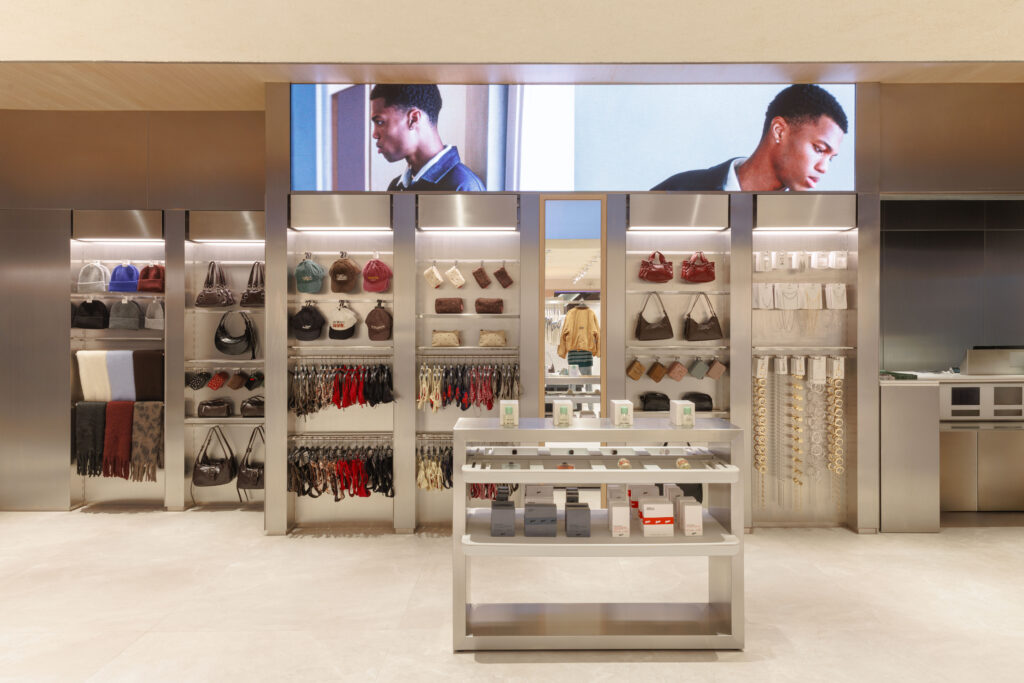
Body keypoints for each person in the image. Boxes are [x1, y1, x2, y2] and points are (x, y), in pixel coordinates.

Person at [651, 84, 848, 192]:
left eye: (831, 158)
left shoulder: (812, 222)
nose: (824, 168)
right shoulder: (679, 189)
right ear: (779, 130)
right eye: (819, 149)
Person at [369, 84, 485, 191]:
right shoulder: (395, 187)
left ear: (413, 119)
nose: (374, 134)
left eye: (380, 122)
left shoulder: (464, 187)